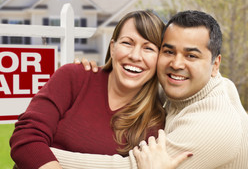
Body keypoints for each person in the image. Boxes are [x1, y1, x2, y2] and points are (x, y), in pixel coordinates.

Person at [51, 10, 248, 168]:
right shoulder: (183, 89)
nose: (177, 64)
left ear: (215, 65)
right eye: (169, 51)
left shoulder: (214, 126)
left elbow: (130, 167)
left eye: (191, 56)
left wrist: (40, 155)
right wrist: (95, 74)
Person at [9, 10, 167, 169]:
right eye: (127, 43)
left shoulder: (154, 121)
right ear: (112, 48)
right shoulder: (74, 77)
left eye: (148, 48)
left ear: (160, 59)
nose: (135, 56)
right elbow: (26, 137)